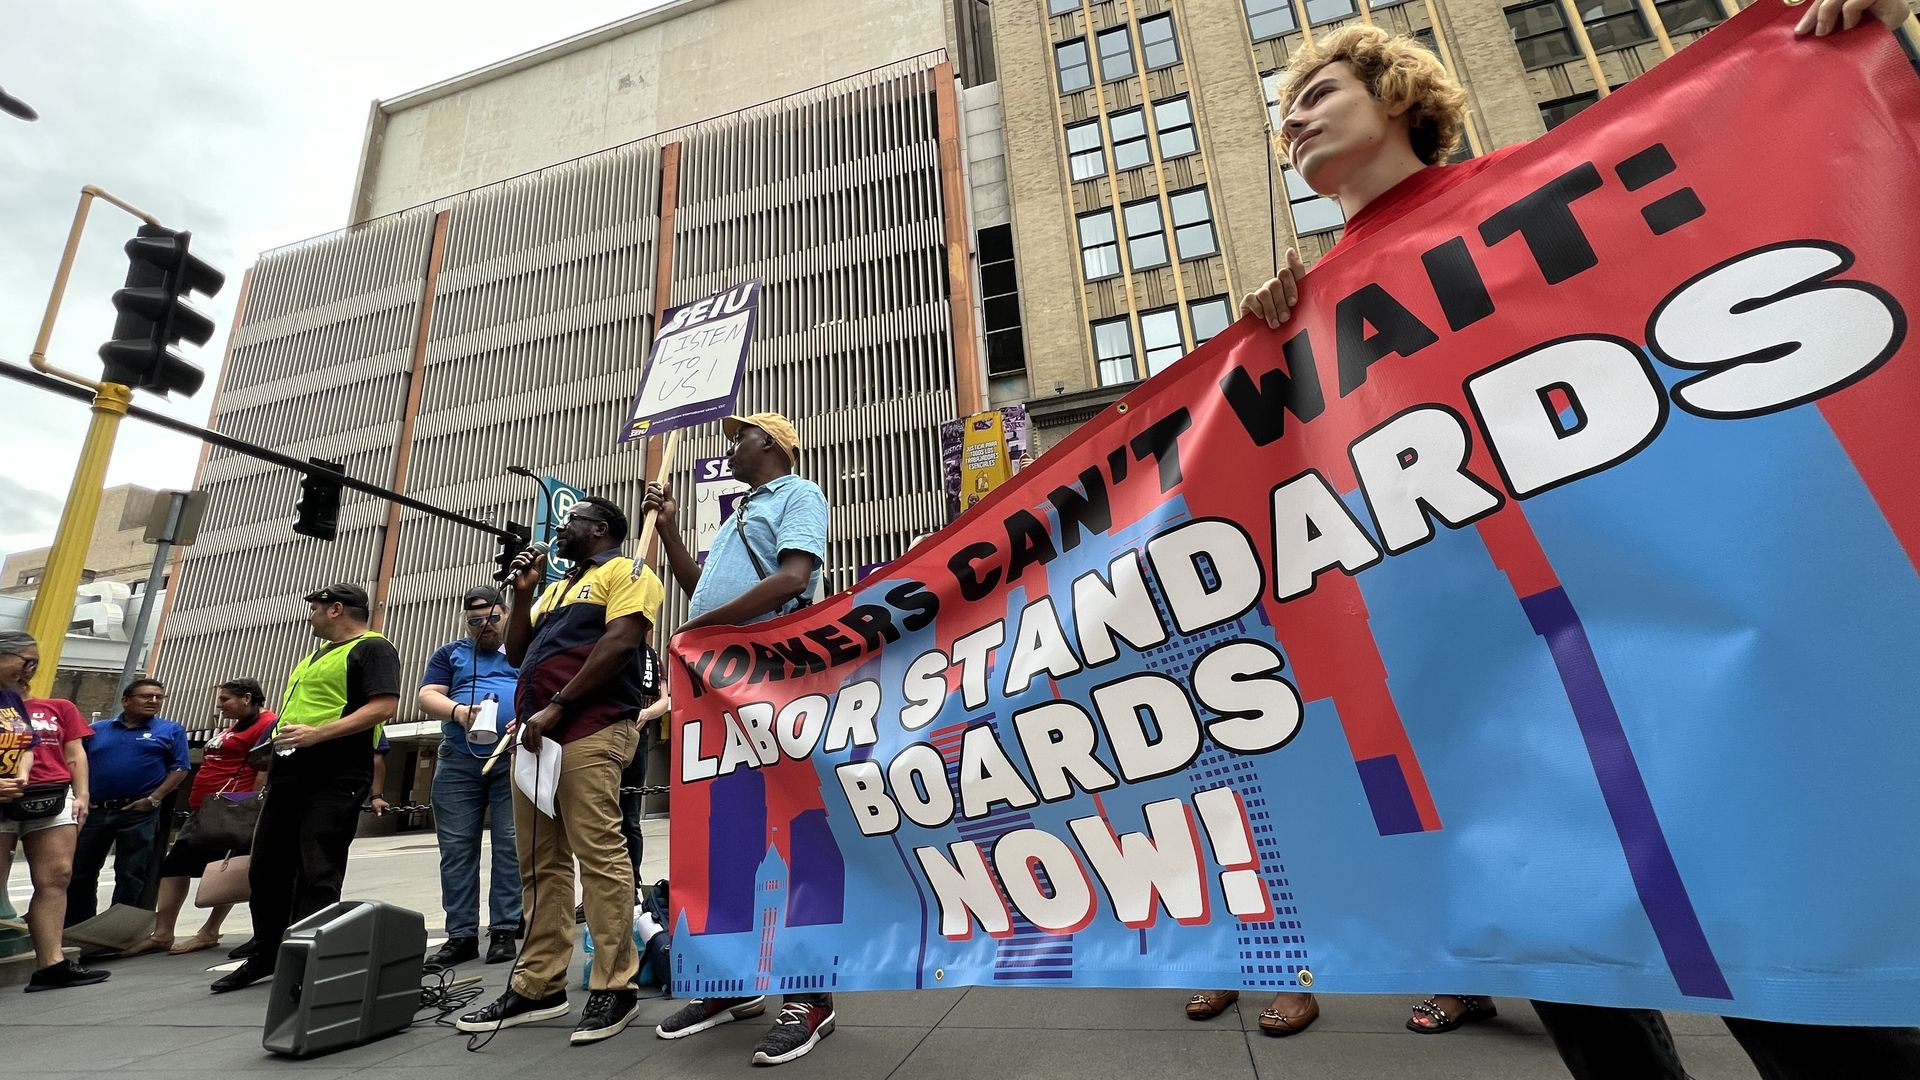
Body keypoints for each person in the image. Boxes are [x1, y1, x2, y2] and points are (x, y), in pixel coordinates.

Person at [1249, 12, 1920, 1077]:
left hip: (1656, 646)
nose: (1292, 118)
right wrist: (1266, 349)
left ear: (1397, 99)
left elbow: (1749, 187)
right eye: (1287, 111)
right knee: (1582, 987)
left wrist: (1837, 45)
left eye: (1318, 93)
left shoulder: (1537, 189)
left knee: (1781, 976)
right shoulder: (1304, 310)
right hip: (1491, 694)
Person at [642, 412, 834, 1066]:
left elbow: (792, 580)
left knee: (792, 830)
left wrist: (706, 635)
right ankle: (732, 983)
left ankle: (811, 997)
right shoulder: (734, 516)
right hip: (722, 683)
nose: (731, 446)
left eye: (741, 436)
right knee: (730, 832)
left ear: (774, 445)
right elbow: (700, 595)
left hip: (772, 678)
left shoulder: (799, 495)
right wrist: (668, 531)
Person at [455, 495, 664, 1046]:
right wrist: (522, 596)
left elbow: (620, 643)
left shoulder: (629, 571)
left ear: (598, 528)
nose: (559, 528)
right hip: (536, 735)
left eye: (570, 521)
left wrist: (560, 706)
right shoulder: (554, 587)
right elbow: (519, 653)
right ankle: (539, 985)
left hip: (588, 726)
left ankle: (614, 985)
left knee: (599, 855)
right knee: (538, 861)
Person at [212, 583, 400, 993]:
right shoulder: (316, 655)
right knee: (268, 868)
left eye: (314, 607)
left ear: (336, 609)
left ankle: (310, 962)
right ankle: (266, 952)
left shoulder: (373, 648)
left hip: (335, 773)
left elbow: (384, 706)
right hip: (290, 773)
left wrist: (318, 734)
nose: (308, 615)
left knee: (319, 868)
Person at [121, 678, 277, 957]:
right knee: (174, 866)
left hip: (232, 809)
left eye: (226, 699)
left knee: (226, 868)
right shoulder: (234, 727)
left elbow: (264, 767)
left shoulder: (267, 723)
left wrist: (251, 808)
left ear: (247, 698)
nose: (220, 705)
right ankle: (163, 933)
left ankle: (210, 930)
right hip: (205, 809)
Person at [418, 585, 523, 967]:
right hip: (459, 757)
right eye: (475, 621)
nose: (485, 626)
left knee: (511, 844)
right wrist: (459, 711)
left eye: (493, 618)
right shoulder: (451, 653)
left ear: (506, 615)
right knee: (457, 848)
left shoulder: (523, 649)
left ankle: (504, 930)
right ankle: (461, 934)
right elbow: (428, 693)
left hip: (512, 754)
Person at [6, 658, 108, 992]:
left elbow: (75, 753)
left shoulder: (57, 707)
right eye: (18, 666)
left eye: (30, 668)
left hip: (50, 794)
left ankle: (51, 965)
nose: (24, 675)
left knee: (57, 876)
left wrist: (82, 796)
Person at [63, 678, 188, 926]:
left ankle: (118, 932)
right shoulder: (96, 730)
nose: (153, 701)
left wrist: (154, 799)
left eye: (158, 697)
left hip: (138, 813)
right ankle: (79, 926)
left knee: (131, 874)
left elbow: (180, 768)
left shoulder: (170, 730)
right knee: (80, 872)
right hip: (96, 811)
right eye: (146, 696)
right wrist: (81, 797)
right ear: (126, 700)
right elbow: (76, 763)